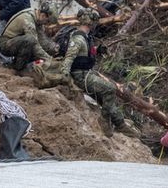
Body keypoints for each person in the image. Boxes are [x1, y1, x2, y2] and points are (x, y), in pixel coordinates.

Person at [58, 8, 139, 138]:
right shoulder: (78, 38)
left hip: (87, 73)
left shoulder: (85, 37)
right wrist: (65, 77)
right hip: (80, 76)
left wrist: (99, 50)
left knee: (106, 97)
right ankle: (104, 120)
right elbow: (69, 58)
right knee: (109, 89)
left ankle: (120, 123)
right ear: (91, 22)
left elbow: (86, 52)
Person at [0, 2, 57, 71]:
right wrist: (49, 59)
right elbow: (35, 44)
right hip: (4, 44)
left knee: (42, 46)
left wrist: (55, 49)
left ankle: (15, 64)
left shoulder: (38, 20)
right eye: (47, 22)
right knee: (30, 40)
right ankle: (18, 68)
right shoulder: (28, 18)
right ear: (43, 15)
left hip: (16, 42)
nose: (46, 24)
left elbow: (43, 41)